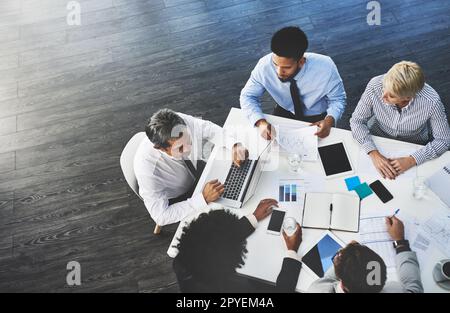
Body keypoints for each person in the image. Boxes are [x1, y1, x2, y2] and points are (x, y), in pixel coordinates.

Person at [134, 109, 249, 226]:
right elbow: (161, 216)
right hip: (181, 197)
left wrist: (234, 145)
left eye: (188, 140)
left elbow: (208, 129)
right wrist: (202, 199)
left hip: (198, 173)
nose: (188, 149)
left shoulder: (178, 122)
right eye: (180, 148)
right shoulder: (147, 171)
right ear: (161, 149)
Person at [173, 199, 303, 292]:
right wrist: (292, 252)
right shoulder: (238, 290)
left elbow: (213, 238)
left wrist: (253, 217)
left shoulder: (180, 262)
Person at [240, 26, 347, 140]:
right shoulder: (264, 66)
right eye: (275, 64)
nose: (279, 72)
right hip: (284, 110)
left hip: (317, 118)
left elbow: (338, 100)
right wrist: (260, 122)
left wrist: (329, 120)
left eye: (286, 67)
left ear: (301, 61)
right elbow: (248, 96)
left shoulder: (326, 67)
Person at [350, 61, 450, 179]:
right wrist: (373, 153)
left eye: (391, 95)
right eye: (384, 89)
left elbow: (444, 140)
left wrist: (412, 160)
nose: (382, 97)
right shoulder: (375, 85)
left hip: (412, 144)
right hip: (377, 137)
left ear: (408, 97)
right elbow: (356, 121)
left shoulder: (432, 102)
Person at [308, 216, 423, 293]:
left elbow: (328, 278)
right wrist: (400, 242)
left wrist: (346, 256)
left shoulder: (317, 289)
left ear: (343, 284)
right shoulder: (395, 289)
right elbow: (414, 285)